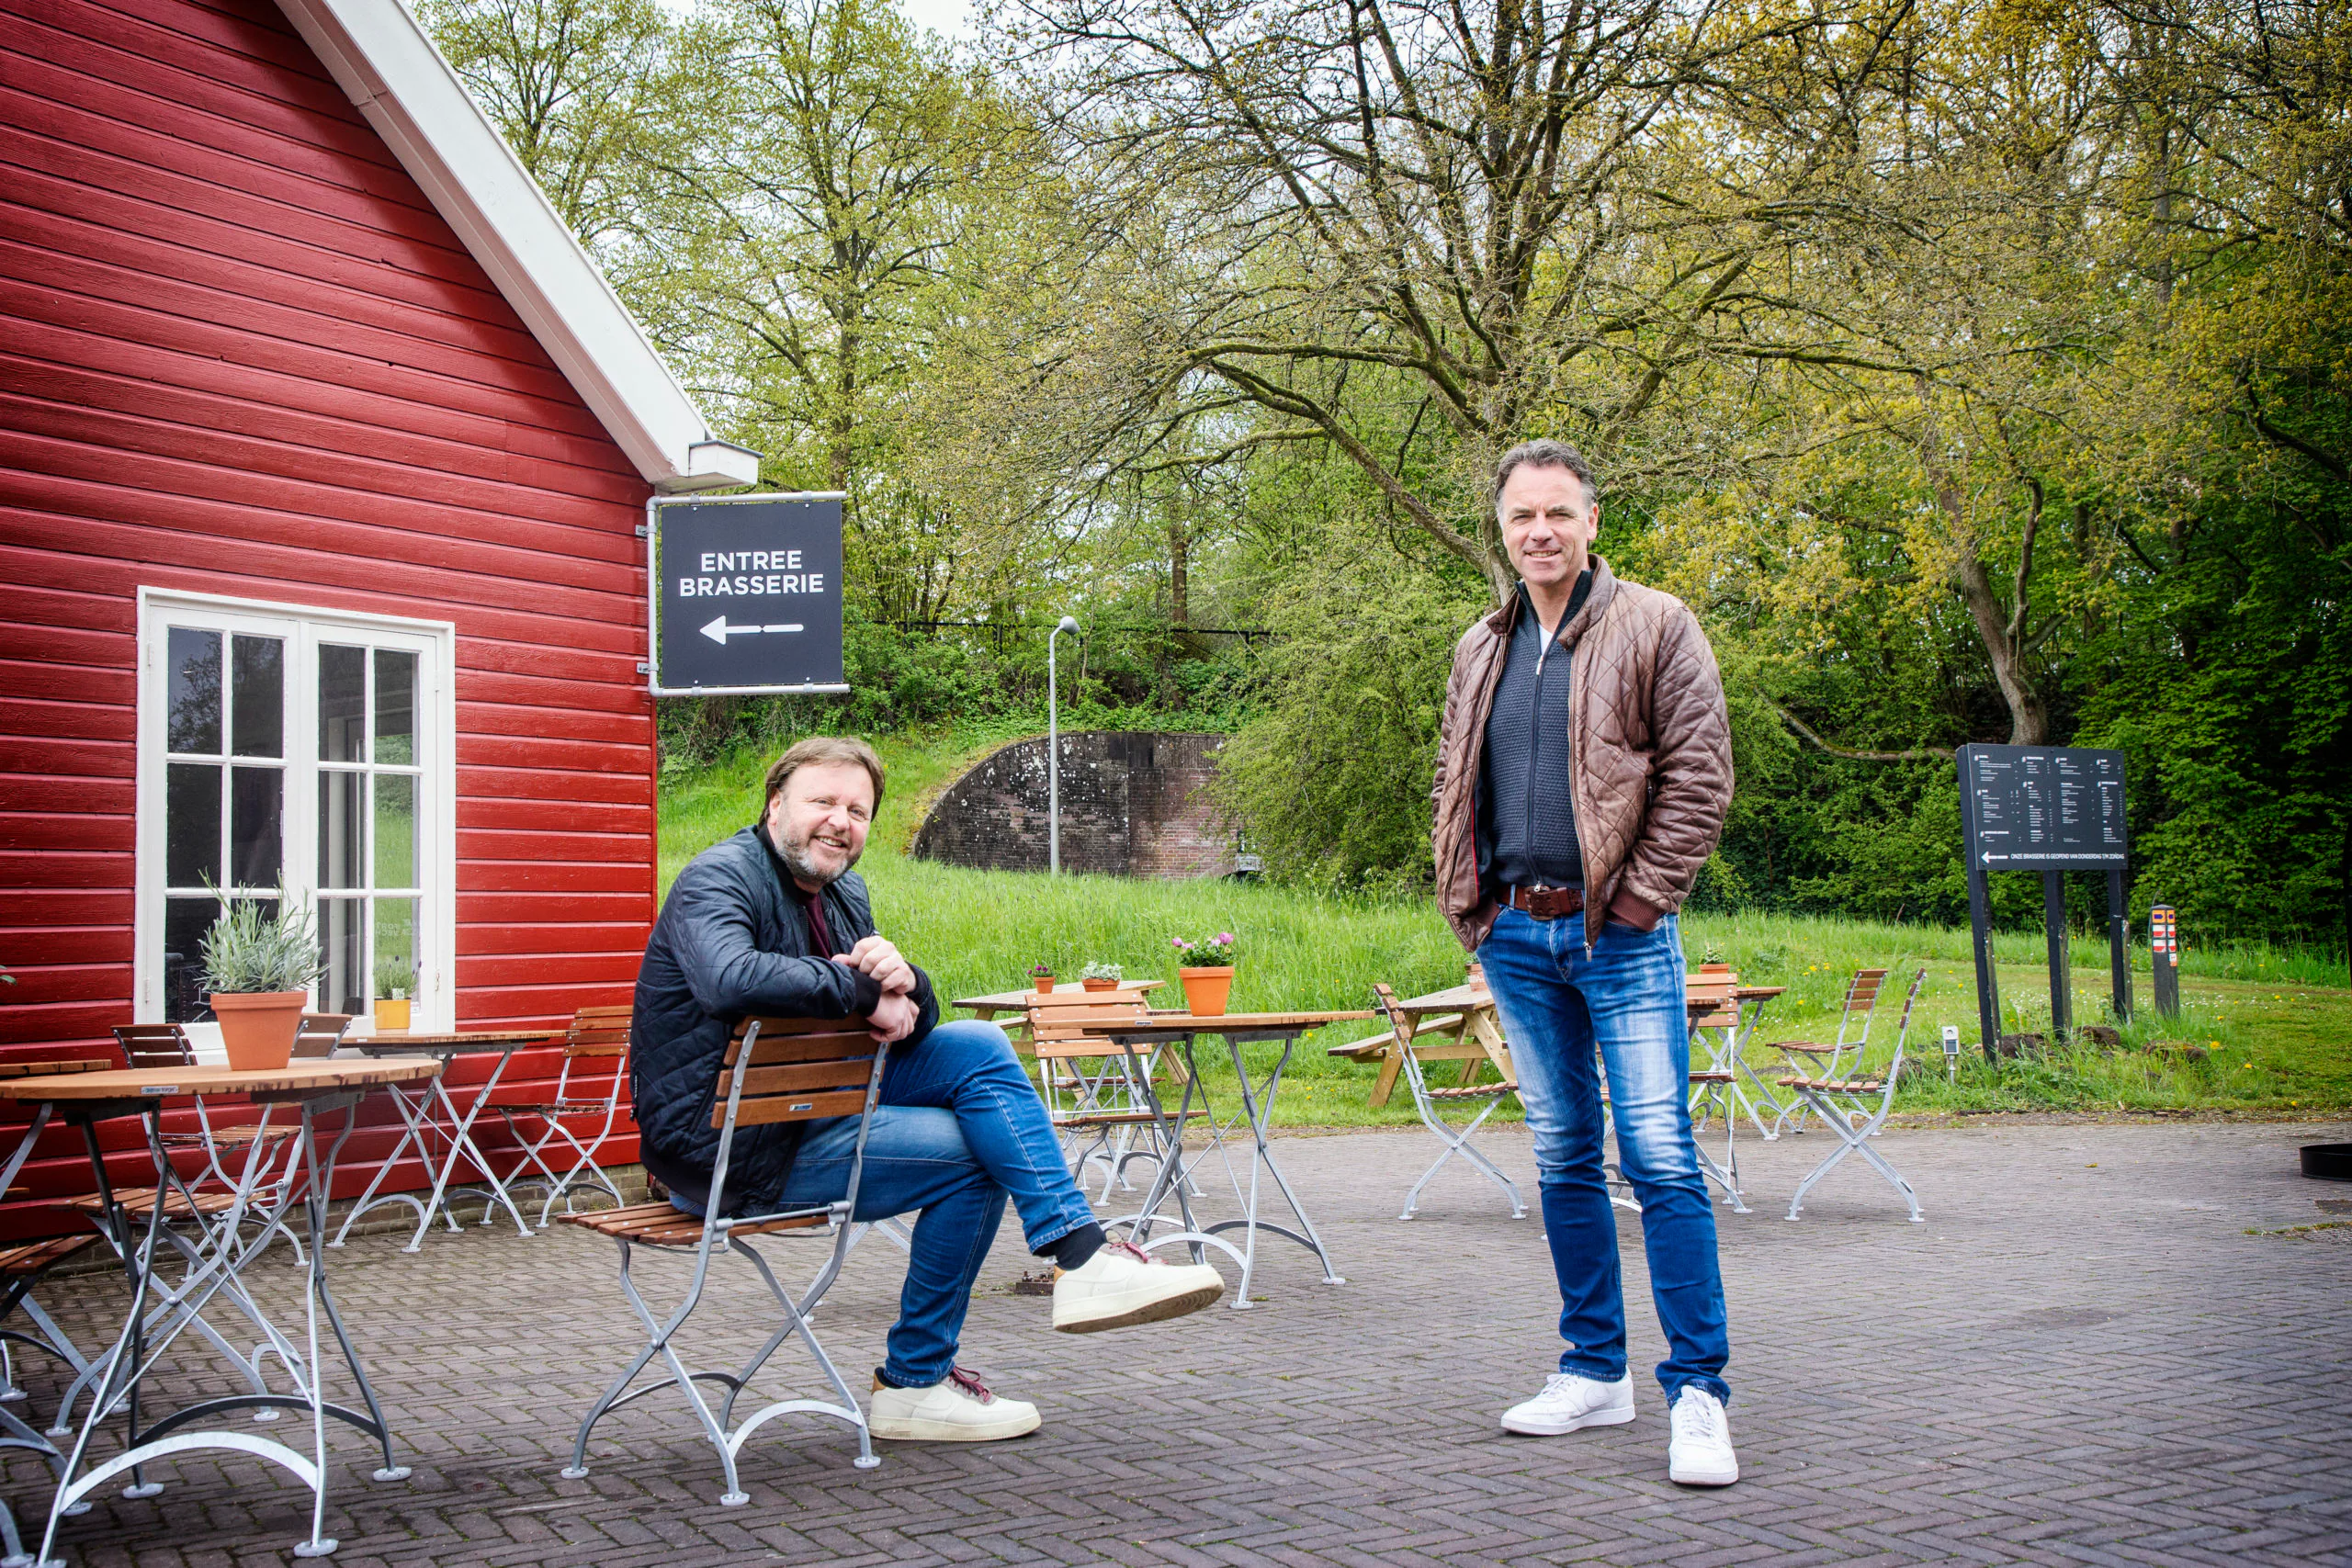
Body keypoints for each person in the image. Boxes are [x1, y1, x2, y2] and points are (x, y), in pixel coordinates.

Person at [631, 735, 1226, 1443]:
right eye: (822, 800)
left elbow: (897, 1021)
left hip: (814, 1103)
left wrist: (908, 979)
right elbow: (730, 977)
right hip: (725, 1146)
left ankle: (1080, 1255)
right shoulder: (718, 878)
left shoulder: (844, 890)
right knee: (978, 1155)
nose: (839, 821)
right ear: (775, 804)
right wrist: (860, 986)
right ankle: (916, 1381)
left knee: (980, 1043)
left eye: (857, 810)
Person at [1430, 439, 1740, 1486]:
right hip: (1514, 934)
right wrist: (1469, 910)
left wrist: (1643, 904)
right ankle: (1591, 1371)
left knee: (1657, 1156)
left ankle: (1697, 1393)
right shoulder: (1481, 644)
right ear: (1503, 529)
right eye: (1522, 517)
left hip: (1621, 933)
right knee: (1563, 1156)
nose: (1540, 532)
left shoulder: (1656, 624)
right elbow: (1449, 778)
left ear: (1592, 521)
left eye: (1558, 513)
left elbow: (1699, 777)